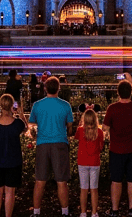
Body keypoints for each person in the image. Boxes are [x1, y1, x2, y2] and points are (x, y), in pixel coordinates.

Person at [102, 73, 132, 217]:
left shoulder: (112, 108)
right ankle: (131, 209)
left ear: (118, 93)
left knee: (116, 180)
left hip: (116, 150)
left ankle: (115, 210)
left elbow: (105, 128)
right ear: (130, 92)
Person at [28, 76, 74, 217]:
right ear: (59, 88)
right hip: (60, 143)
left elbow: (32, 125)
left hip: (42, 144)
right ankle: (65, 212)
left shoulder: (37, 105)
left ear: (45, 88)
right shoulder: (66, 105)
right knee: (61, 181)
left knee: (40, 180)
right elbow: (70, 128)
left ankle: (36, 212)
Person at [0, 94, 29, 217]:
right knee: (10, 191)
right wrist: (21, 113)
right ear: (11, 106)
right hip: (14, 161)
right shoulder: (17, 123)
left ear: (0, 105)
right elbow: (26, 128)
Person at [76, 107, 104, 217]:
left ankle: (83, 212)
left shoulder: (80, 130)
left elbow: (76, 138)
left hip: (82, 162)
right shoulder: (99, 132)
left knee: (83, 189)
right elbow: (101, 147)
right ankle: (94, 212)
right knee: (94, 189)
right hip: (95, 162)